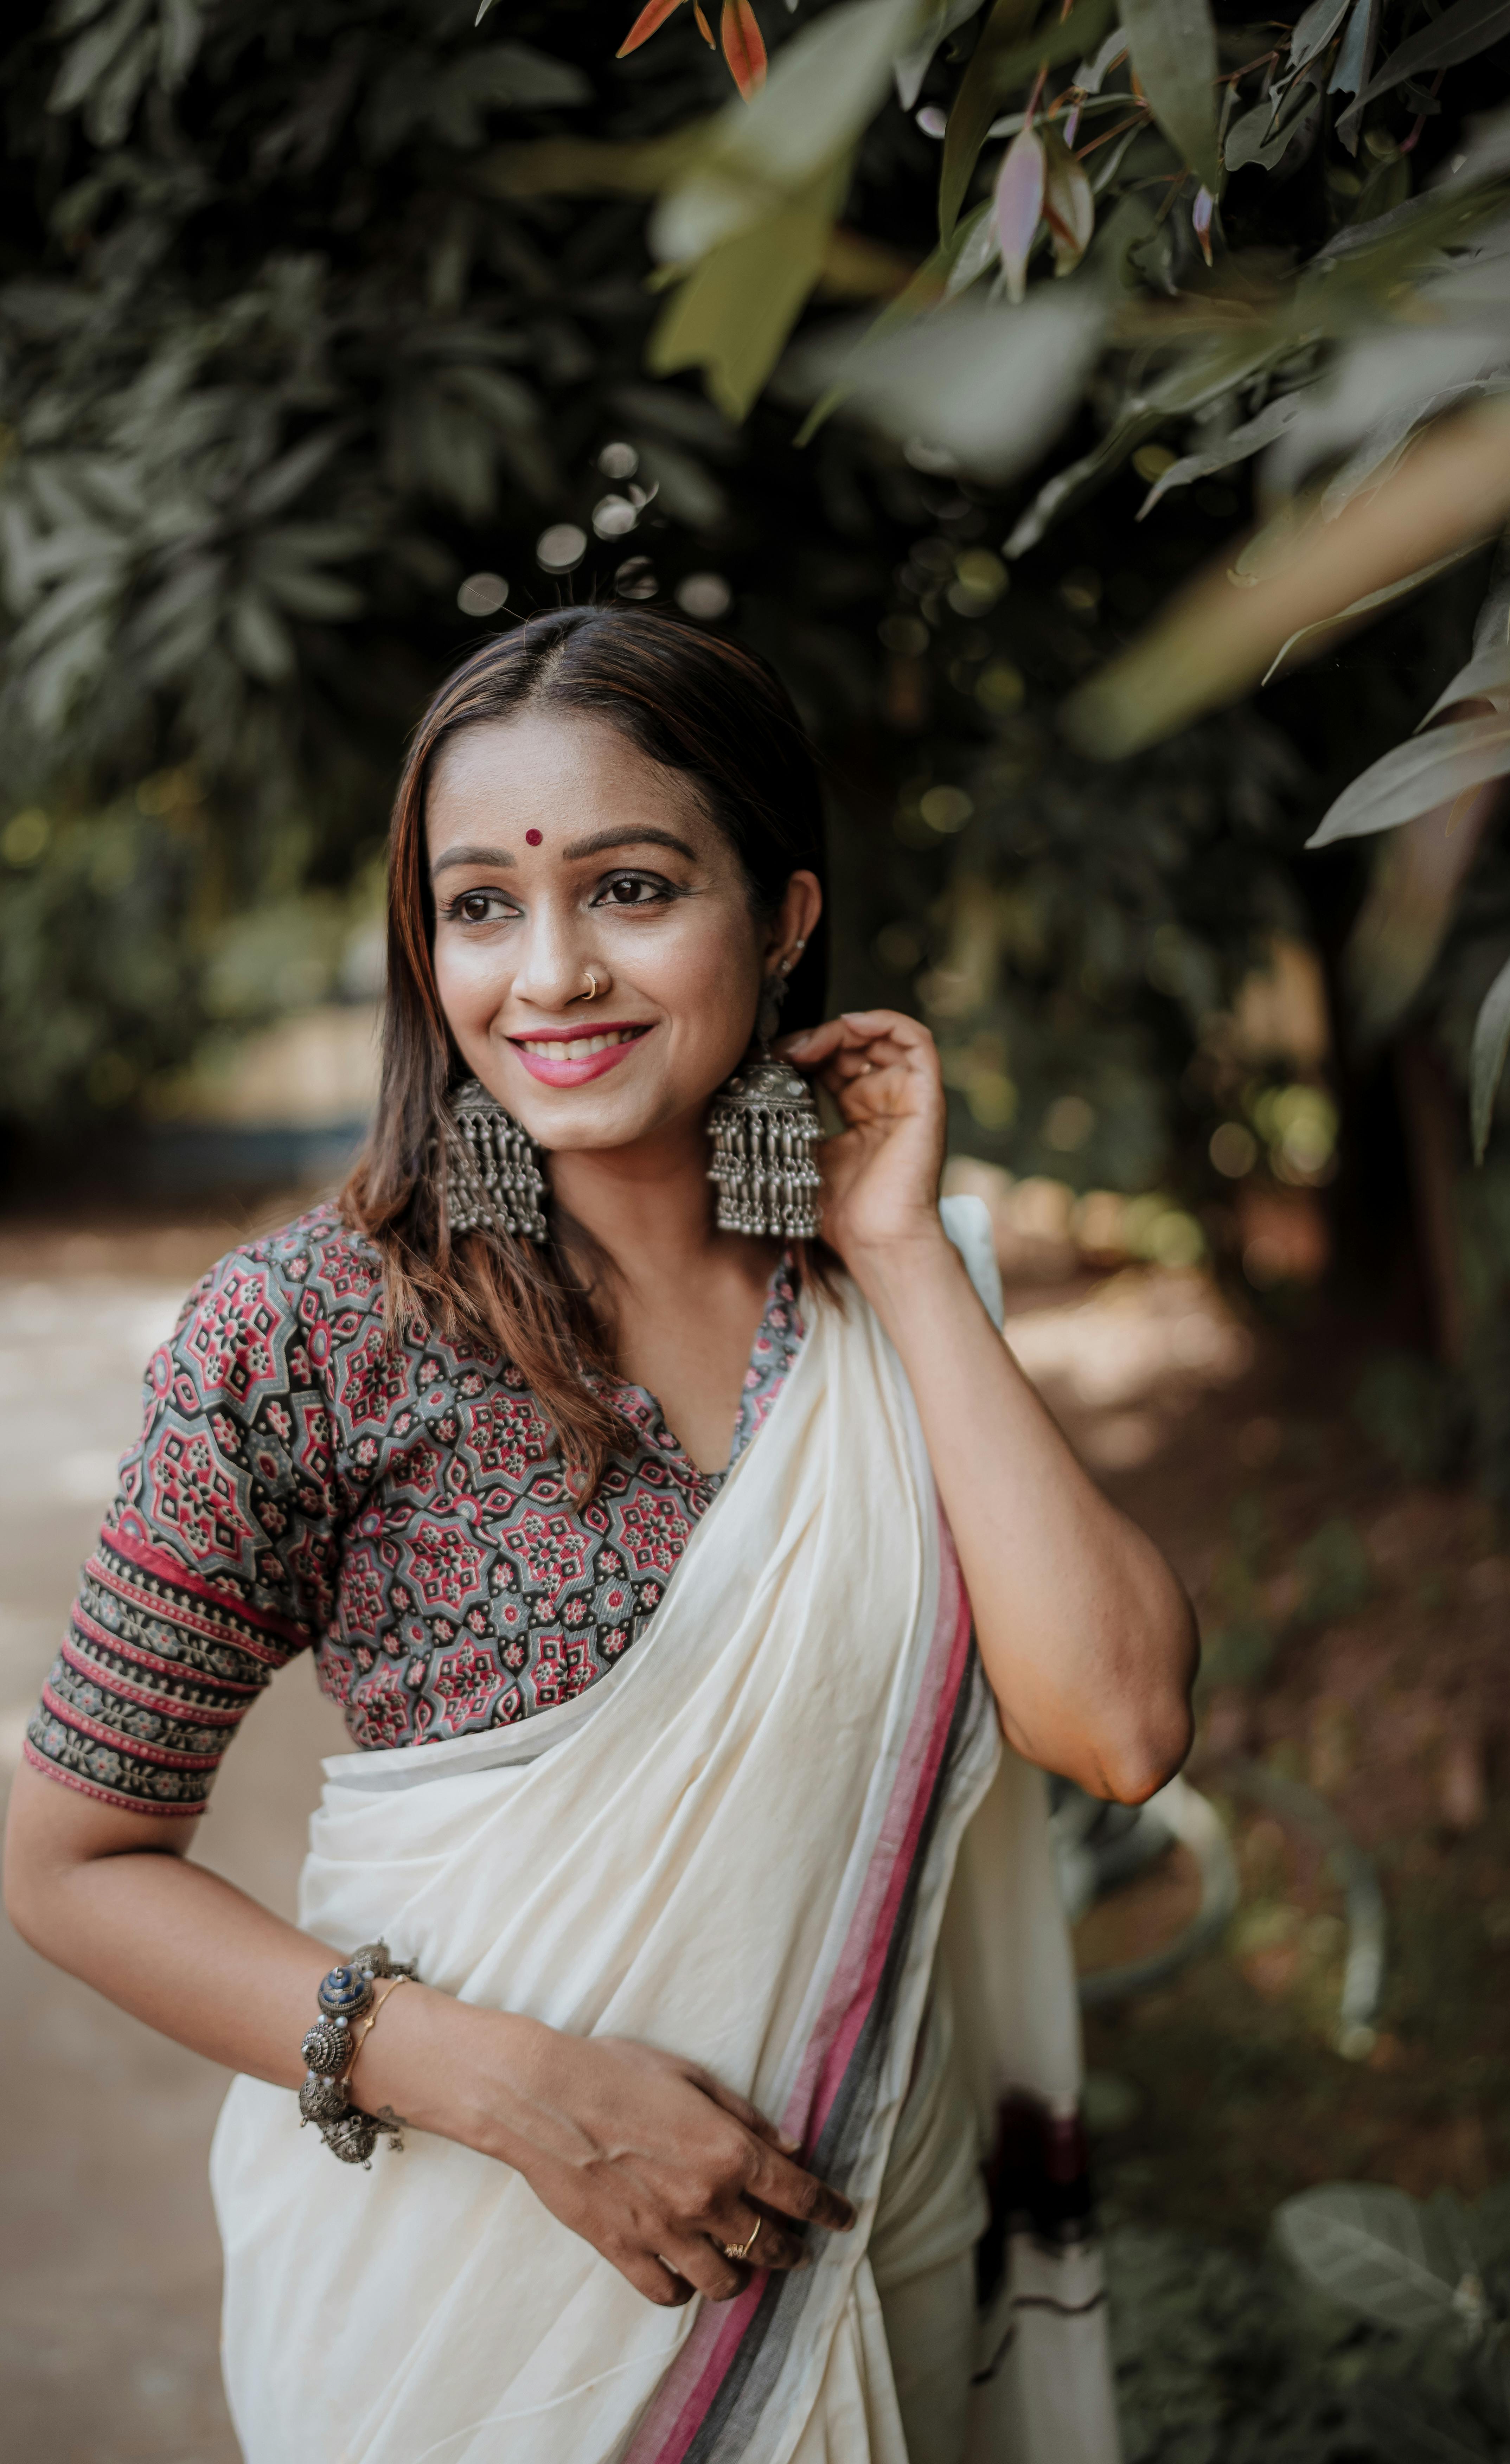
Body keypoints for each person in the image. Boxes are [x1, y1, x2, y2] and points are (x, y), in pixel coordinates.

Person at [3, 605, 1197, 2464]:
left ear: (786, 915)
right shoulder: (299, 1340)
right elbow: (68, 1861)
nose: (549, 974)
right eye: (479, 907)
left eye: (632, 887)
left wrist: (888, 1247)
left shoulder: (899, 1298)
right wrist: (518, 2090)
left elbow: (1121, 1724)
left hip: (883, 2276)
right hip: (472, 2340)